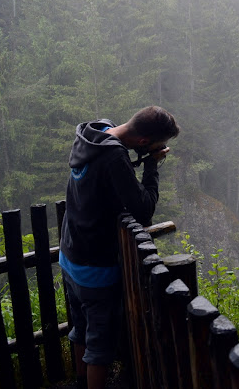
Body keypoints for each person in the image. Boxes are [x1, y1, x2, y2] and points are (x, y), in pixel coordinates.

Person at [59, 106, 180, 389]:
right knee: (100, 345)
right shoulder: (114, 155)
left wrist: (143, 157)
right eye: (159, 144)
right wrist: (152, 166)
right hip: (95, 266)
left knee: (81, 328)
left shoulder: (95, 132)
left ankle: (79, 381)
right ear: (143, 142)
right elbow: (143, 210)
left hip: (70, 253)